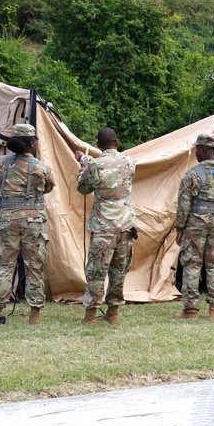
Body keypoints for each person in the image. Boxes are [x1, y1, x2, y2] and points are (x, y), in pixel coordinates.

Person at [0, 124, 56, 323]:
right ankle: (34, 315)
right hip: (33, 220)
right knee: (34, 266)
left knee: (4, 265)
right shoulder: (41, 167)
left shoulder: (2, 163)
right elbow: (48, 188)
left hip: (7, 219)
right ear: (32, 143)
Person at [174, 133, 214, 320]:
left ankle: (190, 310)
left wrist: (180, 229)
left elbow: (184, 205)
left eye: (197, 148)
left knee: (192, 264)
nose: (196, 151)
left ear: (203, 149)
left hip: (195, 223)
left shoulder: (192, 174)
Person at [74, 127, 136, 326]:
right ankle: (113, 313)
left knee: (96, 271)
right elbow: (109, 167)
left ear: (99, 145)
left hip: (103, 227)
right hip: (125, 226)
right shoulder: (129, 162)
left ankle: (91, 316)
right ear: (116, 142)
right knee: (119, 271)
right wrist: (85, 159)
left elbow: (83, 188)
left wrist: (82, 168)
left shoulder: (95, 164)